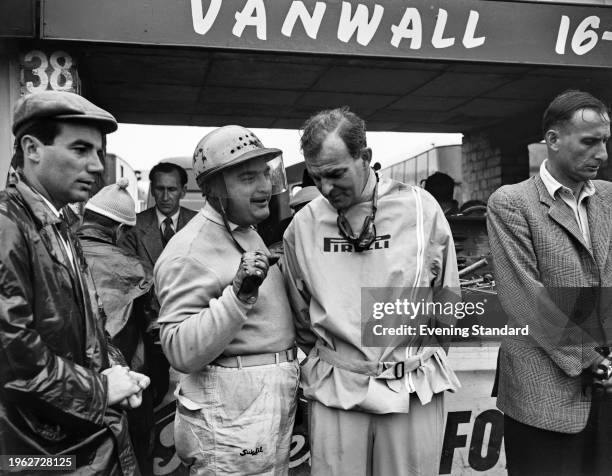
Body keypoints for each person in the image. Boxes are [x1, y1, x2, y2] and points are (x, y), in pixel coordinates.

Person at [282, 107, 461, 476]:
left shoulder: (420, 209)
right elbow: (300, 316)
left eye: (336, 174)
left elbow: (447, 299)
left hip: (411, 387)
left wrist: (411, 353)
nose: (327, 189)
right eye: (317, 178)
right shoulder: (304, 225)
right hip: (337, 393)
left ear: (365, 157)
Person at [0, 90, 149, 474]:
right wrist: (101, 389)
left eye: (99, 152)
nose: (97, 166)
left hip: (74, 444)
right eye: (81, 150)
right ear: (32, 149)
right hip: (34, 453)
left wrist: (119, 372)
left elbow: (92, 327)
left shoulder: (60, 224)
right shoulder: (7, 225)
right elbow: (12, 356)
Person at [155, 125, 298, 474]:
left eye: (266, 174)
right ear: (213, 190)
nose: (265, 187)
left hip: (258, 405)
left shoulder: (246, 231)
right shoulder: (189, 251)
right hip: (232, 411)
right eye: (249, 178)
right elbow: (179, 349)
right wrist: (238, 296)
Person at [487, 89, 612, 475]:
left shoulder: (610, 198)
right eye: (590, 142)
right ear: (553, 141)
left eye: (605, 142)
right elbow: (526, 298)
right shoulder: (512, 202)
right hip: (542, 396)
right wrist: (597, 359)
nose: (603, 154)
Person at [78, 178, 156, 475]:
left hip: (68, 384)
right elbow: (152, 336)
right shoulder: (136, 269)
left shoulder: (54, 253)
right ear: (121, 230)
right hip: (124, 390)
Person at [119, 161, 197, 406]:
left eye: (172, 190)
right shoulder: (133, 227)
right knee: (154, 390)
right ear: (152, 189)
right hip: (148, 324)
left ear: (183, 191)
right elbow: (128, 276)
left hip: (193, 323)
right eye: (160, 189)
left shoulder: (200, 225)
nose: (165, 196)